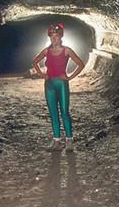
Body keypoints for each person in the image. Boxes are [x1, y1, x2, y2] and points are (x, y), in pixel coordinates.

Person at [31, 22, 85, 152]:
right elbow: (34, 62)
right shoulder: (46, 51)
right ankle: (56, 141)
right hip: (49, 84)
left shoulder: (66, 50)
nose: (54, 38)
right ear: (49, 37)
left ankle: (69, 141)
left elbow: (80, 64)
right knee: (53, 113)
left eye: (56, 36)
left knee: (64, 112)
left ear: (61, 36)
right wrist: (41, 74)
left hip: (61, 84)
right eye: (51, 36)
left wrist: (69, 77)